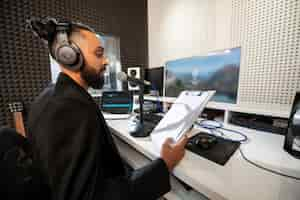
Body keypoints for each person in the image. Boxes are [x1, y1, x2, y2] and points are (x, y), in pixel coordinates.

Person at [27, 17, 188, 200]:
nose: (105, 61)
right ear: (69, 56)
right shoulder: (67, 108)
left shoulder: (51, 97)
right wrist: (164, 164)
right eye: (98, 53)